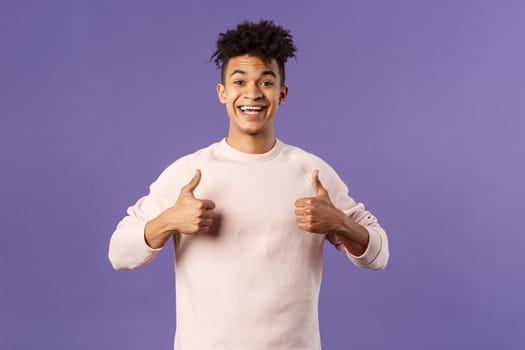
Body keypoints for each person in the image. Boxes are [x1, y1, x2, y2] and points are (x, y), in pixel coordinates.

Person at [109, 20, 389, 350]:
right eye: (240, 81)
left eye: (266, 82)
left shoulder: (311, 173)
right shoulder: (190, 172)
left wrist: (339, 223)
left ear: (282, 94)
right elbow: (119, 253)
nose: (252, 94)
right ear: (222, 92)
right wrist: (168, 220)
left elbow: (377, 256)